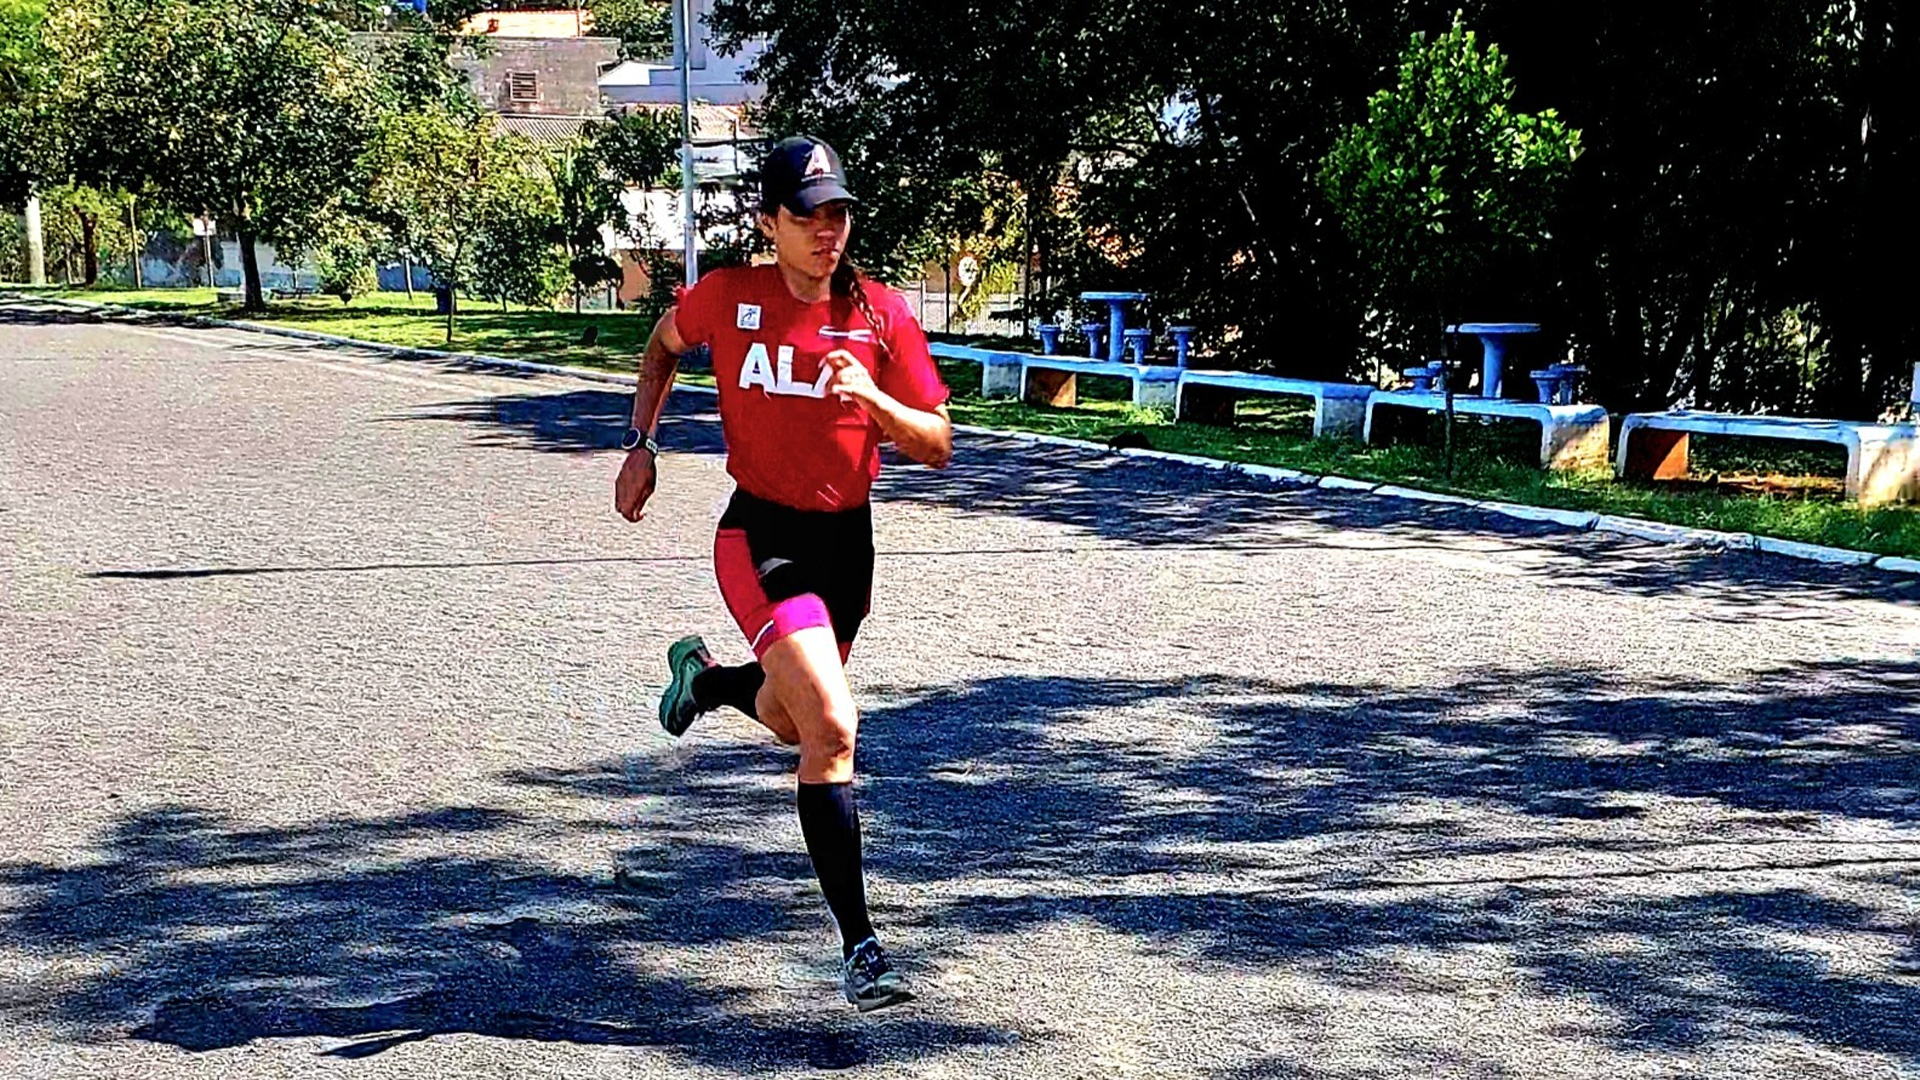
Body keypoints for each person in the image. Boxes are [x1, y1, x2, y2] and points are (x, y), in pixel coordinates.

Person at [612, 135, 953, 1012]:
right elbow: (660, 346)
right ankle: (862, 948)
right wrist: (642, 445)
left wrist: (876, 402)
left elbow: (939, 445)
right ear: (770, 222)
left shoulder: (881, 315)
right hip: (761, 534)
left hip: (848, 544)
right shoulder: (729, 296)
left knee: (788, 721)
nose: (827, 230)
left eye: (838, 212)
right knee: (833, 729)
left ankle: (709, 682)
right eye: (808, 215)